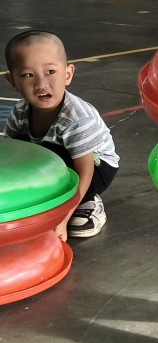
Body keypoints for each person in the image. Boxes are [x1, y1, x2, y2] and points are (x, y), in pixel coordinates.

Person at [4, 30, 119, 239]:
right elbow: (10, 156)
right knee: (20, 148)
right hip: (55, 161)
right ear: (12, 80)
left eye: (50, 71)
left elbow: (85, 170)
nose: (41, 84)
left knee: (54, 153)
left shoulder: (77, 119)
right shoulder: (20, 112)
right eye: (28, 75)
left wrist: (62, 219)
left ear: (67, 74)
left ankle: (87, 202)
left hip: (95, 167)